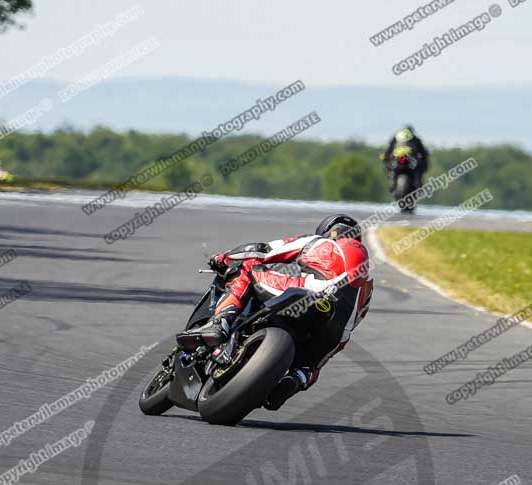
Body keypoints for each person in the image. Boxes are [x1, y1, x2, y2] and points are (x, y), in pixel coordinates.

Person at [177, 214, 374, 410]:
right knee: (310, 365)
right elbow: (359, 316)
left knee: (246, 267)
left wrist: (224, 258)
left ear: (327, 231)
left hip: (311, 294)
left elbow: (262, 250)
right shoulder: (369, 279)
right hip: (337, 328)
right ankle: (296, 378)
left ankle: (220, 323)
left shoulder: (320, 242)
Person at [381, 124, 429, 192]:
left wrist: (386, 157)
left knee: (391, 166)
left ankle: (392, 182)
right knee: (419, 166)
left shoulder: (396, 137)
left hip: (399, 161)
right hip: (409, 161)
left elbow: (388, 151)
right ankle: (418, 182)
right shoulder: (415, 138)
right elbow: (423, 152)